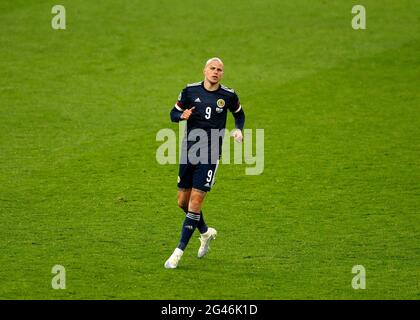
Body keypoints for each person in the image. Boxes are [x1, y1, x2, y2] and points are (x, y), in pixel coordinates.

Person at [164, 57, 245, 269]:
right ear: (204, 70)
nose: (215, 72)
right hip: (189, 151)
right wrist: (182, 115)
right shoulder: (189, 91)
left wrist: (238, 129)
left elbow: (239, 114)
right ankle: (205, 232)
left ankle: (177, 252)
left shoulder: (228, 95)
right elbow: (172, 113)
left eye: (219, 69)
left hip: (211, 154)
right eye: (212, 68)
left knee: (195, 203)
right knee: (182, 202)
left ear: (222, 74)